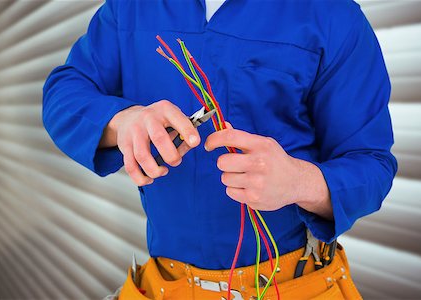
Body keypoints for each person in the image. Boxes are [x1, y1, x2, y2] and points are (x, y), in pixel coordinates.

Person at [43, 0, 397, 299]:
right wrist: (122, 120)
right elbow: (64, 94)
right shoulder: (131, 7)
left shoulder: (331, 15)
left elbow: (372, 163)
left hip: (291, 284)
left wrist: (298, 182)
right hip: (167, 285)